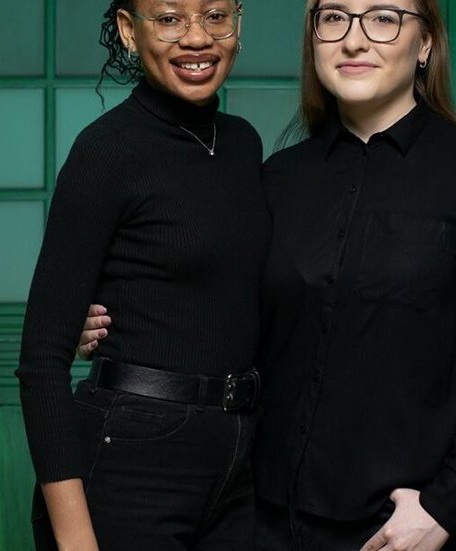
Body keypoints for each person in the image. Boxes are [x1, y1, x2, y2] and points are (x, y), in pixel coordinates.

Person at [78, 0, 456, 550]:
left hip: (404, 527)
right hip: (263, 523)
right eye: (334, 17)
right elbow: (220, 306)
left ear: (425, 44)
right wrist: (117, 321)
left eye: (383, 17)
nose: (354, 39)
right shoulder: (276, 179)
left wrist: (443, 506)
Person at [16, 1, 270, 550]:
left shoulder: (244, 144)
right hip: (130, 457)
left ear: (238, 23)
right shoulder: (106, 150)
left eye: (216, 15)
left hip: (238, 458)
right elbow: (40, 362)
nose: (197, 38)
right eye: (170, 18)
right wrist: (75, 541)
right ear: (130, 31)